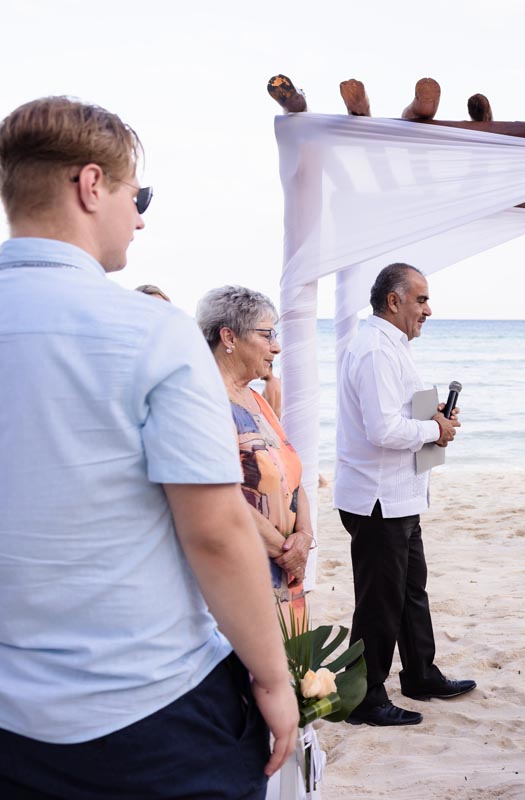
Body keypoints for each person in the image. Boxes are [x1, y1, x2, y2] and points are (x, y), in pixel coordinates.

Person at [0, 96, 296, 796]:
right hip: (148, 704)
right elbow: (216, 532)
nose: (140, 219)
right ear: (91, 185)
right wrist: (273, 677)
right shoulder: (150, 331)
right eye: (138, 195)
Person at [335, 262, 472, 728]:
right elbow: (383, 429)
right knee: (379, 602)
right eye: (421, 299)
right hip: (377, 499)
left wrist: (433, 416)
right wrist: (435, 429)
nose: (428, 310)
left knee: (411, 590)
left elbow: (397, 412)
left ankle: (419, 674)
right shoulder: (376, 349)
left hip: (400, 495)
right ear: (393, 301)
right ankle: (364, 697)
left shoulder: (392, 345)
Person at [197, 286, 313, 608]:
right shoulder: (208, 403)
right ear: (229, 337)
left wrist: (305, 536)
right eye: (266, 335)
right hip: (247, 572)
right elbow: (222, 497)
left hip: (287, 569)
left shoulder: (257, 400)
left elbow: (292, 475)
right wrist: (285, 552)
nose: (276, 347)